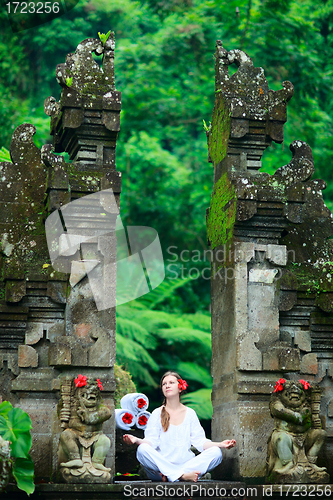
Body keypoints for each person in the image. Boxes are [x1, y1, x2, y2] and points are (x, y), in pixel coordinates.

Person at [123, 371, 236, 482]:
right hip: (160, 469)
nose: (167, 385)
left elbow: (200, 442)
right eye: (164, 384)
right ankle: (181, 476)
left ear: (180, 387)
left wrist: (220, 444)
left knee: (216, 452)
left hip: (185, 467)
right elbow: (151, 442)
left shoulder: (190, 413)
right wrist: (136, 440)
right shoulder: (157, 413)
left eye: (171, 382)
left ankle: (175, 475)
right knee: (142, 450)